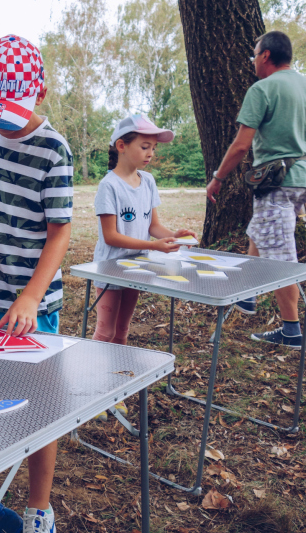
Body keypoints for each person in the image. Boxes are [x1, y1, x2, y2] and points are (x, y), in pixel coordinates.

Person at [0, 34, 72, 533]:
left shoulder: (54, 151)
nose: (0, 121)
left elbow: (60, 230)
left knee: (38, 408)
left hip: (33, 302)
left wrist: (31, 294)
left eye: (10, 110)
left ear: (40, 96)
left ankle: (38, 508)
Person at [207, 30, 306, 349]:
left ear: (266, 55)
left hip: (279, 180)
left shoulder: (263, 89)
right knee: (263, 230)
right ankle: (248, 296)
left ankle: (291, 329)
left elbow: (241, 146)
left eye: (255, 54)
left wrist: (218, 178)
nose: (253, 61)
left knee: (281, 256)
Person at [91, 114, 196, 421]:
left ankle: (116, 389)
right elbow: (111, 235)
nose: (152, 153)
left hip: (136, 270)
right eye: (145, 146)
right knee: (104, 332)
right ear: (121, 146)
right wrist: (153, 247)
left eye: (154, 148)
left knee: (122, 332)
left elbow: (154, 226)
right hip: (109, 269)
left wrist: (173, 235)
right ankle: (96, 393)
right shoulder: (108, 186)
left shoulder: (148, 181)